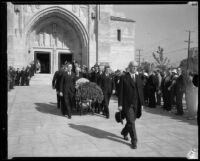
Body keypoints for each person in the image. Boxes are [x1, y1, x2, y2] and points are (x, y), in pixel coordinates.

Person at [118, 60, 145, 149]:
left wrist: (142, 103)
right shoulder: (123, 77)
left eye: (136, 67)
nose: (134, 68)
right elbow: (120, 92)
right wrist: (120, 104)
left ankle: (124, 132)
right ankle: (134, 140)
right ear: (129, 67)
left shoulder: (138, 77)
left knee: (131, 122)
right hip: (127, 104)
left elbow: (140, 91)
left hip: (136, 104)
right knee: (131, 122)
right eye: (133, 66)